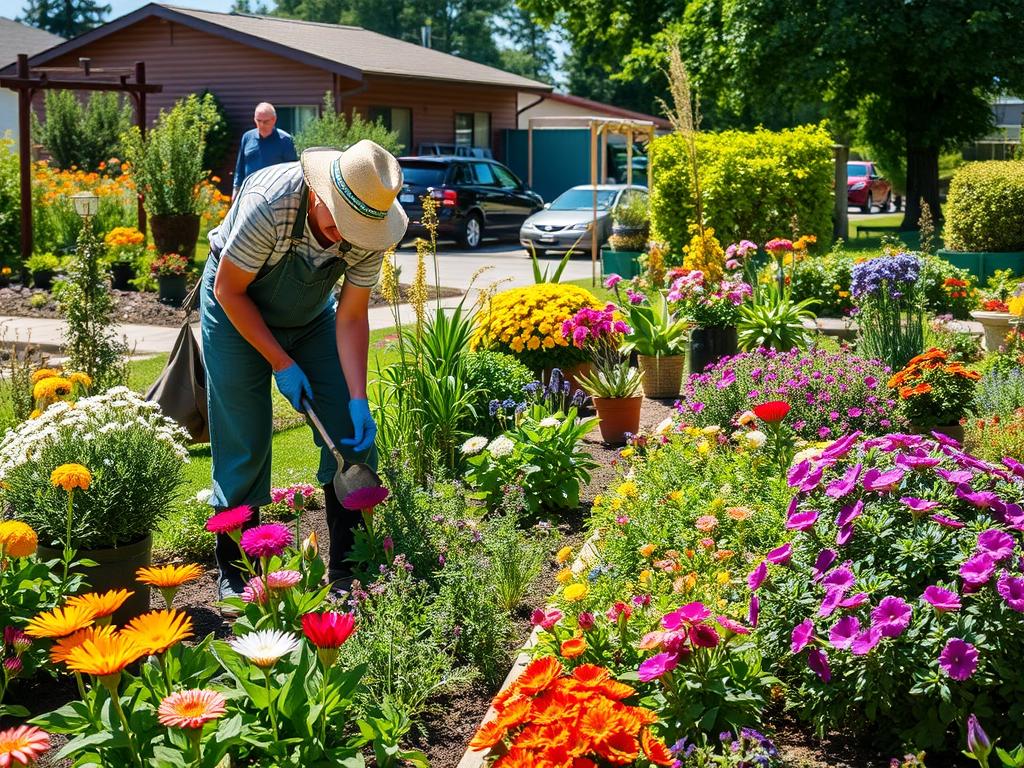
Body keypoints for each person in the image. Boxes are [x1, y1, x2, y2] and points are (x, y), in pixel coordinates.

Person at [202, 140, 408, 612]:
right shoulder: (270, 205)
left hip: (313, 317)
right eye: (339, 224)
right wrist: (281, 361)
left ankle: (348, 573)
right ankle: (238, 572)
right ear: (319, 194)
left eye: (354, 231)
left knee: (349, 434)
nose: (342, 238)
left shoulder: (369, 231)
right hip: (236, 305)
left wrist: (357, 397)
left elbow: (352, 317)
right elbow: (230, 290)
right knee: (244, 434)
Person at [232, 102, 298, 196]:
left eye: (265, 122)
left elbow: (293, 172)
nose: (261, 125)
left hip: (275, 195)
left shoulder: (285, 140)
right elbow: (240, 168)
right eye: (258, 121)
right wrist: (236, 190)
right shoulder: (247, 137)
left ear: (274, 120)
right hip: (249, 193)